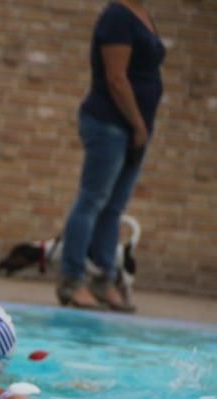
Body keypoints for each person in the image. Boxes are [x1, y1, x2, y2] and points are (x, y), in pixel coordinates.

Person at [56, 0, 164, 312]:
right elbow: (116, 77)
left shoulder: (143, 14)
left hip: (133, 128)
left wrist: (140, 127)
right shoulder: (117, 16)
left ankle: (104, 279)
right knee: (92, 200)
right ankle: (72, 279)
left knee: (114, 207)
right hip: (110, 123)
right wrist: (137, 123)